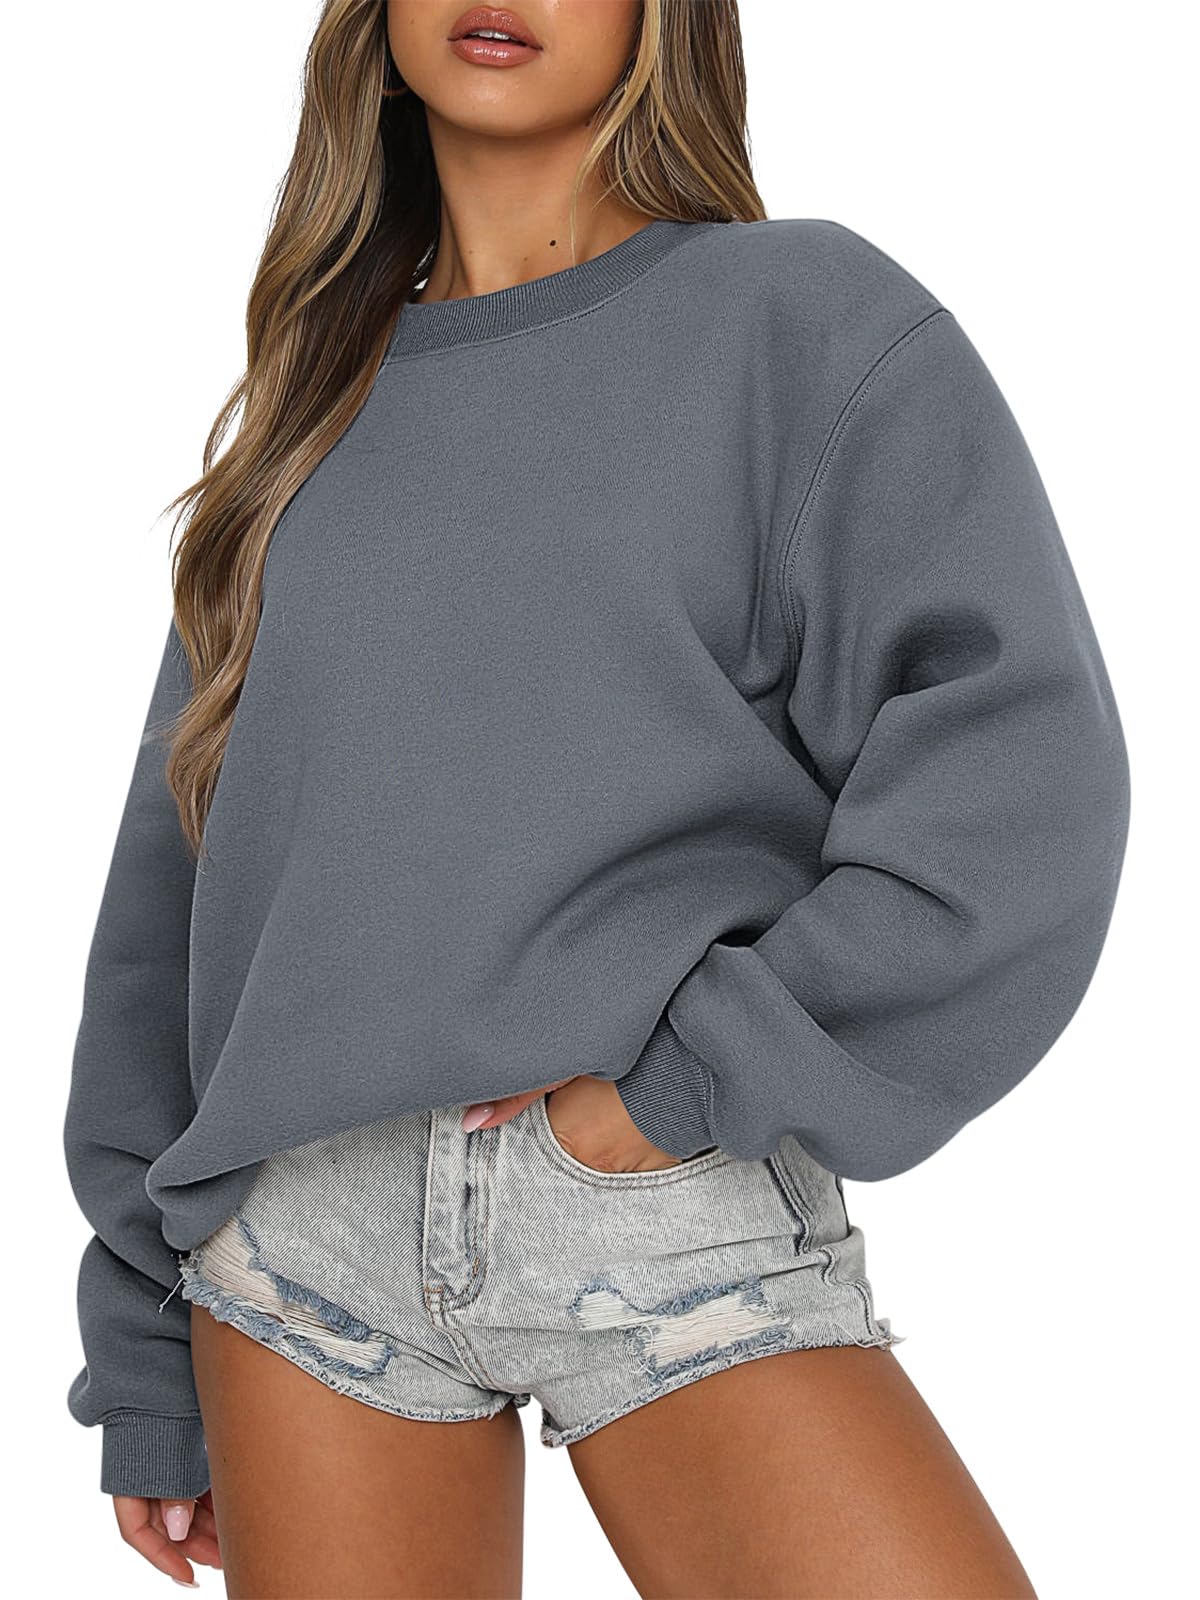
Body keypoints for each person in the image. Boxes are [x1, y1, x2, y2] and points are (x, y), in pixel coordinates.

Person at [63, 2, 1130, 1595]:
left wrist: (693, 1086)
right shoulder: (305, 412)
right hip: (302, 1255)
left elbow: (1019, 779)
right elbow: (179, 887)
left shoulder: (801, 326)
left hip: (655, 1196)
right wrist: (147, 1344)